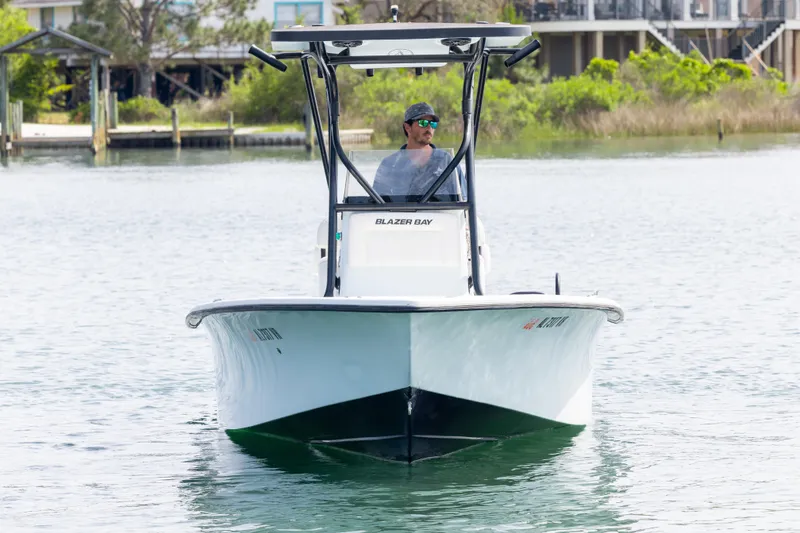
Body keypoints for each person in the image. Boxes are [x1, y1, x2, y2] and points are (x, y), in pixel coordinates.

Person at [372, 102, 466, 199]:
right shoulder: (390, 164)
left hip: (439, 213)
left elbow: (463, 199)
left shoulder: (446, 161)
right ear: (407, 127)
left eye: (433, 124)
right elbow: (376, 202)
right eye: (423, 123)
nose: (429, 128)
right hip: (400, 214)